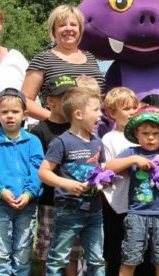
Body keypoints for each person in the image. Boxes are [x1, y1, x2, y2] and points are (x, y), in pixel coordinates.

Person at [105, 111, 159, 276]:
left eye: (155, 134)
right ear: (137, 134)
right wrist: (134, 160)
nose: (151, 138)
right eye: (145, 133)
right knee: (130, 259)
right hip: (136, 215)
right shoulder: (131, 152)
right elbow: (108, 167)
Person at [37, 86, 107, 275]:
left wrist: (104, 180)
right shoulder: (61, 142)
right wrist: (66, 184)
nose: (101, 115)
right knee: (58, 258)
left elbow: (102, 170)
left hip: (94, 211)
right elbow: (44, 173)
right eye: (96, 110)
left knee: (97, 259)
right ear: (78, 114)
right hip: (69, 210)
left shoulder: (97, 142)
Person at [0, 88, 43, 275]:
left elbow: (38, 170)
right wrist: (1, 191)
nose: (10, 116)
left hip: (26, 204)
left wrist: (29, 193)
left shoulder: (33, 141)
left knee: (22, 252)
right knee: (0, 253)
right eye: (5, 112)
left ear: (24, 115)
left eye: (15, 112)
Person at [28, 75, 78, 275]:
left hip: (75, 201)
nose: (70, 102)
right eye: (64, 97)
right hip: (50, 201)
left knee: (73, 254)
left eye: (73, 96)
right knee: (47, 253)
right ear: (50, 101)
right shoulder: (40, 131)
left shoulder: (78, 128)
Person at [22, 4, 105, 121]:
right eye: (62, 25)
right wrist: (54, 119)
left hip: (93, 129)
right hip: (59, 133)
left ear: (80, 29)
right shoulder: (43, 59)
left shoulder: (90, 58)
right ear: (54, 30)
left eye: (73, 25)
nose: (68, 29)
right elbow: (25, 100)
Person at [100, 87, 140, 276]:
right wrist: (132, 161)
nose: (132, 112)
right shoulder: (109, 138)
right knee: (116, 253)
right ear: (111, 113)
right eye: (126, 108)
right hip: (117, 205)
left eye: (134, 107)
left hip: (142, 205)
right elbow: (107, 169)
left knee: (141, 254)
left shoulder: (143, 135)